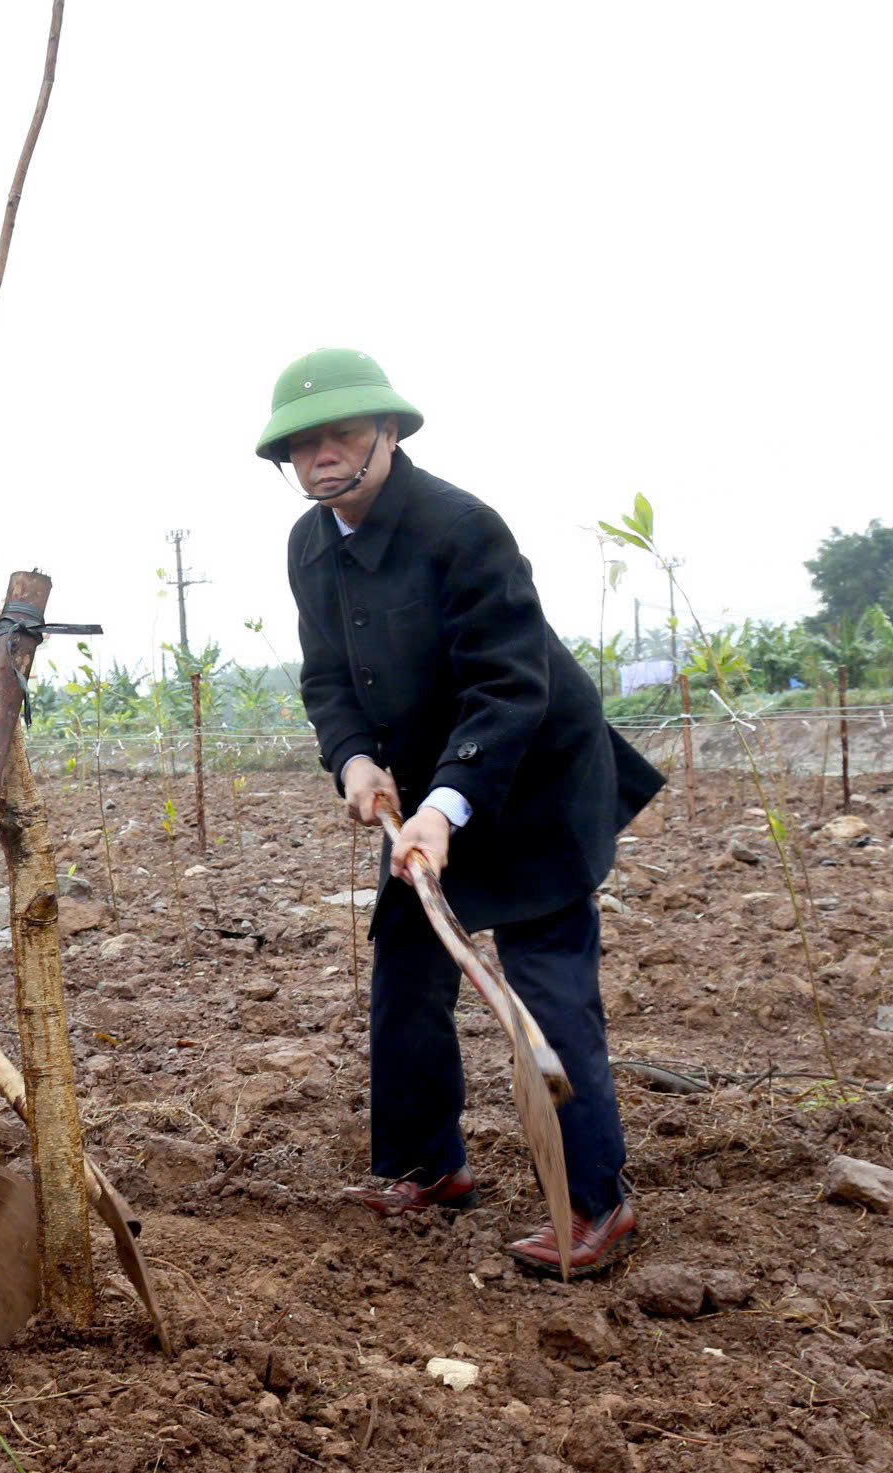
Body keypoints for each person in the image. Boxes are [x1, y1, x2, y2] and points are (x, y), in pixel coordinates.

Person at [263, 347, 663, 1277]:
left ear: (389, 435)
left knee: (547, 988)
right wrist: (356, 761)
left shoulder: (461, 528)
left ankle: (596, 1204)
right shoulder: (310, 546)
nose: (323, 458)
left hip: (530, 783)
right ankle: (424, 1166)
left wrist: (446, 807)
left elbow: (508, 686)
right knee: (406, 964)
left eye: (343, 435)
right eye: (302, 446)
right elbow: (328, 681)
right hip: (426, 793)